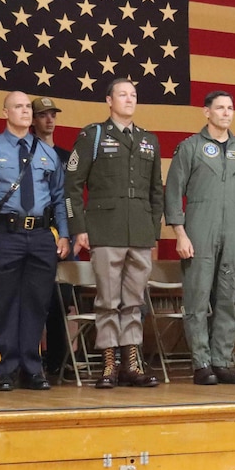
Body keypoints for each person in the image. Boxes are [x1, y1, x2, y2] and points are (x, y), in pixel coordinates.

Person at [64, 77, 163, 389]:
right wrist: (78, 228)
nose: (129, 99)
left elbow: (155, 191)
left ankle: (131, 364)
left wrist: (153, 229)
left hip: (140, 232)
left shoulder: (149, 139)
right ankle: (109, 363)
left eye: (133, 95)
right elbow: (72, 186)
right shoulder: (93, 135)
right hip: (105, 230)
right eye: (122, 94)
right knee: (108, 300)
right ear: (109, 100)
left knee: (133, 301)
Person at [0, 91, 69, 391]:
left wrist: (63, 234)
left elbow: (60, 199)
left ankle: (32, 367)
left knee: (37, 303)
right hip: (4, 234)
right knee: (6, 303)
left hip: (40, 235)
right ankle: (6, 368)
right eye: (19, 107)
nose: (25, 112)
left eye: (28, 107)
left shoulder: (48, 154)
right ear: (5, 112)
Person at [165, 89, 235, 386]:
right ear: (206, 112)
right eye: (220, 108)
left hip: (233, 226)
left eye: (230, 108)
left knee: (229, 298)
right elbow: (172, 191)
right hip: (199, 226)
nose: (226, 113)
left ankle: (222, 360)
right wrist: (180, 232)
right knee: (198, 296)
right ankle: (201, 363)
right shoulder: (190, 147)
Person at [33, 96, 76, 381]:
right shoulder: (27, 150)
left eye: (53, 115)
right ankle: (34, 361)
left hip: (61, 232)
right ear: (34, 120)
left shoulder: (64, 154)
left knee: (63, 300)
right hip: (37, 230)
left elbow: (70, 196)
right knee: (37, 300)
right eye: (43, 115)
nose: (49, 119)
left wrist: (69, 232)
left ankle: (60, 361)